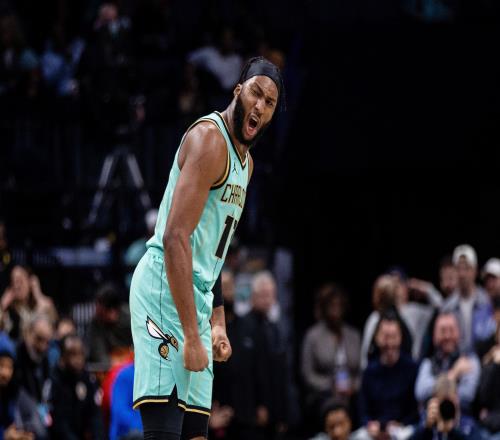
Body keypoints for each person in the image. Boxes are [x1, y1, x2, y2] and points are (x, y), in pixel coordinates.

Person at [129, 56, 284, 440]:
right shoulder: (209, 140)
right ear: (238, 91)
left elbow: (212, 250)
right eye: (255, 93)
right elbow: (175, 237)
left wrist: (217, 322)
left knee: (196, 433)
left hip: (195, 296)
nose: (260, 106)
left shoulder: (246, 165)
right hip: (164, 290)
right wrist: (191, 333)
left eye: (270, 102)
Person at [355, 313, 419, 440]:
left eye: (393, 337)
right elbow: (363, 410)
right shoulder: (369, 371)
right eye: (385, 337)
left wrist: (400, 424)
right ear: (376, 338)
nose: (389, 343)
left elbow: (416, 410)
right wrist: (370, 424)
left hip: (402, 429)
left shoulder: (412, 368)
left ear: (400, 337)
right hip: (375, 430)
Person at [302, 283, 361, 418]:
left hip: (351, 395)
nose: (335, 309)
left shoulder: (353, 335)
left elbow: (362, 371)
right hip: (322, 396)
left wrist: (353, 386)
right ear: (324, 308)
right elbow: (307, 374)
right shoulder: (313, 336)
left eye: (339, 305)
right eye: (331, 305)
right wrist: (330, 386)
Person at [415, 312, 480, 414]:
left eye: (451, 330)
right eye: (443, 331)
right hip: (431, 417)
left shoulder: (470, 360)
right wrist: (454, 373)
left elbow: (467, 395)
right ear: (434, 335)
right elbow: (420, 392)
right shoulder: (428, 362)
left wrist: (435, 390)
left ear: (458, 332)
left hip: (463, 418)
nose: (447, 336)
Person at [441, 244, 494, 352]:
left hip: (483, 357)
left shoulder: (487, 301)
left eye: (466, 268)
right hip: (456, 359)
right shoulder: (447, 307)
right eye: (458, 268)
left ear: (475, 270)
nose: (462, 274)